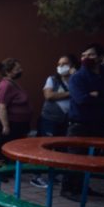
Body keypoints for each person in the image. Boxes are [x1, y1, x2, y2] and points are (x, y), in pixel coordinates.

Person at [61, 44, 104, 200]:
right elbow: (81, 99)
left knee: (89, 159)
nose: (86, 58)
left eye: (91, 55)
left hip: (99, 123)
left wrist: (99, 94)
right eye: (83, 55)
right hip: (79, 125)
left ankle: (83, 186)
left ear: (101, 57)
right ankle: (68, 189)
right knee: (75, 158)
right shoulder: (78, 77)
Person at [30, 56, 76, 188]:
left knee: (61, 148)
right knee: (45, 146)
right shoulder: (52, 79)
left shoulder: (75, 80)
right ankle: (37, 176)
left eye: (65, 64)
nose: (61, 66)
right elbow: (49, 95)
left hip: (66, 119)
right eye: (59, 64)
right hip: (49, 119)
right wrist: (70, 93)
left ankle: (53, 174)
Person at [0, 58, 31, 161]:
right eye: (17, 69)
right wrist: (5, 126)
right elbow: (1, 106)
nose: (20, 70)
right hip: (12, 124)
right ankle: (5, 172)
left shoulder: (13, 83)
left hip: (19, 124)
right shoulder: (5, 85)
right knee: (8, 150)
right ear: (8, 72)